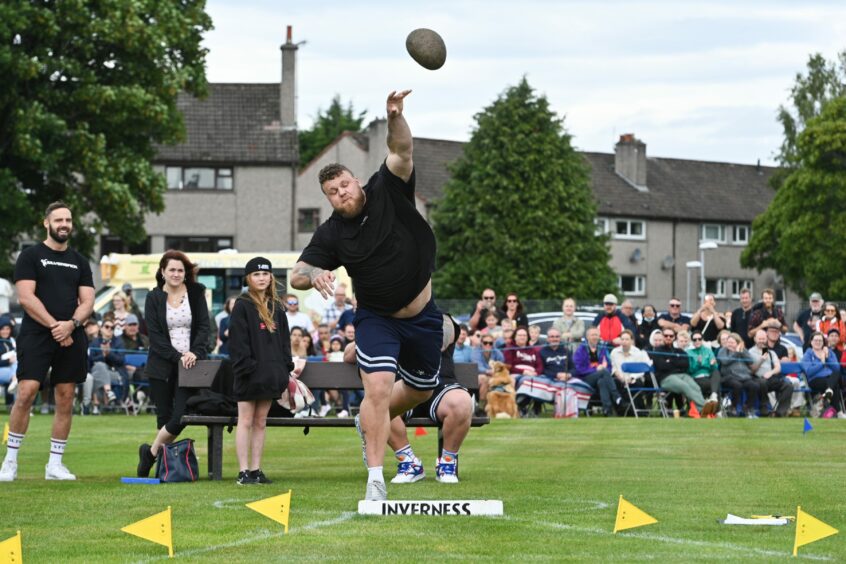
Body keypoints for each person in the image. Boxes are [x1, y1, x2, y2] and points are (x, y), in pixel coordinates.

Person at [291, 90, 442, 501]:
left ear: (356, 181)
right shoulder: (331, 233)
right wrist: (317, 271)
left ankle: (368, 421)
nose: (341, 193)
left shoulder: (387, 188)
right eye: (332, 193)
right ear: (328, 200)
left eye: (344, 185)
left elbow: (402, 149)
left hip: (424, 314)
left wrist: (394, 116)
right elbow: (296, 275)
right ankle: (376, 478)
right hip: (377, 317)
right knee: (376, 390)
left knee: (423, 388)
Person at [1, 202, 94, 482]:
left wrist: (72, 325)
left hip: (71, 334)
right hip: (38, 334)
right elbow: (26, 297)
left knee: (66, 398)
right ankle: (10, 462)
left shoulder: (79, 260)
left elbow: (88, 300)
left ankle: (55, 465)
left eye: (68, 219)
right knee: (26, 392)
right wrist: (56, 326)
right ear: (47, 223)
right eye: (58, 220)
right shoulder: (30, 256)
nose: (64, 224)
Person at [136, 250, 210, 477]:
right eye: (172, 270)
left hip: (191, 365)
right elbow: (155, 337)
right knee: (164, 417)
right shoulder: (153, 297)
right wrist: (178, 357)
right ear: (162, 272)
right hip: (161, 365)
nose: (177, 274)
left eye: (180, 270)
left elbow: (204, 328)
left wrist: (194, 353)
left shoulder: (196, 292)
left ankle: (150, 454)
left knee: (180, 416)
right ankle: (165, 469)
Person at [374, 315, 473, 484]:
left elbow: (441, 342)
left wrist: (398, 331)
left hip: (441, 387)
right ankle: (409, 462)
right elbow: (350, 355)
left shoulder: (442, 317)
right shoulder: (389, 320)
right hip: (404, 386)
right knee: (377, 405)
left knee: (462, 402)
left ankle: (447, 463)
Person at [228, 257, 293, 485]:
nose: (262, 278)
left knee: (261, 422)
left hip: (271, 375)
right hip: (248, 375)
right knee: (245, 420)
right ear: (248, 278)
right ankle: (243, 471)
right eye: (256, 274)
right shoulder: (242, 305)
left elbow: (284, 343)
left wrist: (286, 368)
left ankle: (256, 469)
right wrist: (248, 368)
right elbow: (238, 343)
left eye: (265, 274)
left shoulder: (277, 307)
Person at [648, 328, 708, 415]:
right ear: (663, 337)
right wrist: (676, 361)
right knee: (684, 386)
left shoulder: (679, 351)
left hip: (682, 375)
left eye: (671, 336)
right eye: (666, 336)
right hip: (666, 378)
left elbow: (685, 365)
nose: (668, 337)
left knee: (695, 386)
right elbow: (662, 366)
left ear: (674, 338)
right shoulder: (657, 351)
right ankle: (704, 407)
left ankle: (701, 410)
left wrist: (670, 361)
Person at [572, 327, 627, 416]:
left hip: (601, 377)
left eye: (596, 335)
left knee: (602, 381)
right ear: (587, 337)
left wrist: (604, 369)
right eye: (592, 335)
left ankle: (607, 410)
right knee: (603, 372)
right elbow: (578, 369)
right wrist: (596, 369)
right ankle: (617, 396)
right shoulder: (580, 350)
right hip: (585, 378)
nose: (595, 337)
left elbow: (609, 366)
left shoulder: (603, 348)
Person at [801, 331, 845, 418]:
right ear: (811, 342)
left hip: (830, 378)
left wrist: (827, 357)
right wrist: (822, 363)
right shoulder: (808, 354)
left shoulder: (829, 352)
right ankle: (839, 412)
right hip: (815, 380)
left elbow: (836, 368)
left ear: (823, 342)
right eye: (816, 340)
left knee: (836, 374)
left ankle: (829, 392)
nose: (818, 342)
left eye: (820, 341)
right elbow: (809, 371)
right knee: (834, 386)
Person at [748, 329, 791, 417]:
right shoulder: (750, 352)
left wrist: (771, 372)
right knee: (762, 383)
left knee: (788, 385)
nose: (761, 341)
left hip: (770, 378)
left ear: (766, 339)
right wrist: (761, 359)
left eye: (763, 339)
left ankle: (780, 412)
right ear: (755, 339)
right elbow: (752, 370)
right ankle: (764, 410)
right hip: (757, 378)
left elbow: (778, 368)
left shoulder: (771, 352)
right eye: (759, 339)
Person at [716, 333, 761, 417]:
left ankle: (747, 407)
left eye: (732, 342)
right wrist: (736, 353)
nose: (729, 344)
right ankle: (733, 407)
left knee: (754, 386)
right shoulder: (722, 350)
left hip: (744, 377)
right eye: (728, 342)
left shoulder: (743, 350)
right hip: (729, 377)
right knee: (737, 385)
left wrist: (742, 351)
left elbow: (750, 361)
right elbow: (725, 361)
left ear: (738, 343)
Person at [686, 330, 721, 411]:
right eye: (695, 340)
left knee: (716, 372)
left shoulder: (708, 350)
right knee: (715, 385)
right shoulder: (688, 352)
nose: (697, 341)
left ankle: (714, 395)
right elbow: (689, 370)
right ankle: (716, 410)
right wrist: (698, 363)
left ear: (702, 339)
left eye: (699, 339)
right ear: (692, 341)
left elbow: (714, 366)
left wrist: (713, 364)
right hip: (696, 377)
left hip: (708, 375)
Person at [472, 333, 505, 414]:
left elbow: (501, 364)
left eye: (490, 343)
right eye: (485, 343)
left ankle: (509, 409)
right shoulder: (476, 351)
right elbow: (477, 367)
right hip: (478, 376)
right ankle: (481, 408)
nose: (488, 345)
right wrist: (488, 371)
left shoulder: (497, 352)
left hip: (494, 376)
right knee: (484, 379)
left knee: (510, 380)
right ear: (481, 343)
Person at [0, 318, 18, 403]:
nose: (5, 331)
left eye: (7, 329)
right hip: (2, 370)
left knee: (16, 364)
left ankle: (15, 407)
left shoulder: (13, 341)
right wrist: (8, 361)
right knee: (17, 376)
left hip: (10, 370)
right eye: (2, 329)